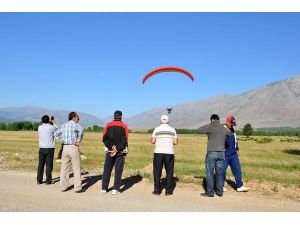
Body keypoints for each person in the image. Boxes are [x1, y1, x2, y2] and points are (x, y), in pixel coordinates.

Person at [197, 114, 231, 197]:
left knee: (209, 173)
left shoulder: (210, 126)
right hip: (222, 153)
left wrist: (209, 125)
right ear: (219, 120)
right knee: (219, 173)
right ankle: (220, 192)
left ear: (211, 119)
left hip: (212, 152)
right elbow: (229, 134)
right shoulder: (223, 128)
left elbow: (199, 130)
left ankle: (210, 192)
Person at [54, 112, 84, 193]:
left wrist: (62, 140)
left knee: (64, 168)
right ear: (73, 117)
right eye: (77, 117)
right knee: (76, 168)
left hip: (65, 148)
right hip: (73, 147)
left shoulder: (64, 125)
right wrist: (78, 141)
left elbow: (56, 133)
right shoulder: (76, 125)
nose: (79, 118)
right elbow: (81, 133)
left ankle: (63, 187)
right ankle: (77, 188)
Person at [102, 110, 129, 195]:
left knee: (107, 170)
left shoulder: (108, 125)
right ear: (121, 116)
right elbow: (125, 140)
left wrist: (111, 147)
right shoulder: (124, 126)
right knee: (118, 170)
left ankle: (104, 188)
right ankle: (115, 189)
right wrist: (117, 148)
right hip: (119, 152)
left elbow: (104, 138)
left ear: (114, 116)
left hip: (109, 151)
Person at [151, 115, 178, 196]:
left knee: (157, 171)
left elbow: (153, 141)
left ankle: (157, 191)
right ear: (168, 121)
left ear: (160, 121)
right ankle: (168, 191)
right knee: (169, 171)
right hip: (169, 152)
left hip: (158, 152)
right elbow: (176, 142)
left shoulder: (156, 129)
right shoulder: (172, 129)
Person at [222, 116, 249, 192]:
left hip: (233, 154)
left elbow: (235, 140)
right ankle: (220, 186)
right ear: (227, 122)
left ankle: (240, 186)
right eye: (231, 124)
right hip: (224, 155)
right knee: (222, 171)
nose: (232, 126)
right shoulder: (221, 129)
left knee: (237, 170)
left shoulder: (232, 130)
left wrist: (237, 149)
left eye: (233, 124)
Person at [37, 115, 58, 185]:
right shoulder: (51, 127)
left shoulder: (39, 127)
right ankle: (48, 180)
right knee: (49, 165)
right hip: (50, 148)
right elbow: (58, 129)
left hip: (41, 148)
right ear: (48, 120)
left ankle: (39, 180)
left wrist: (50, 122)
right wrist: (54, 123)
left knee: (41, 164)